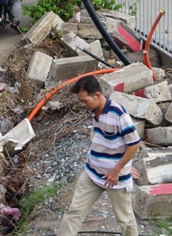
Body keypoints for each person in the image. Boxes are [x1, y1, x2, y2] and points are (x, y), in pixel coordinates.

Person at [56, 75, 141, 236]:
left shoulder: (118, 113)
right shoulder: (94, 109)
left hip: (114, 178)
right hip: (92, 172)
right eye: (81, 101)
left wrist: (119, 169)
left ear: (97, 95)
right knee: (74, 212)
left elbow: (134, 143)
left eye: (85, 101)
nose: (83, 105)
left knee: (125, 220)